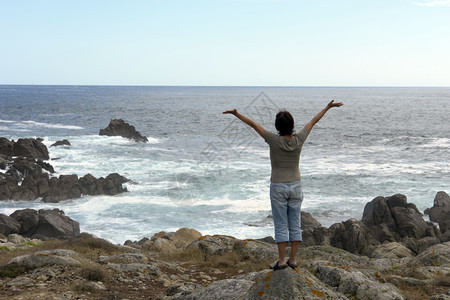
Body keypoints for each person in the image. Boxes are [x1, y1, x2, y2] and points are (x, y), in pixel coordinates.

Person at [223, 100, 344, 270]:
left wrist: (236, 114)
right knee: (295, 223)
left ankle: (281, 261)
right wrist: (328, 107)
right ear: (292, 125)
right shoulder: (299, 139)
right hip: (295, 186)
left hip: (278, 186)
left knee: (281, 224)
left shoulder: (273, 139)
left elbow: (253, 125)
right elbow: (313, 121)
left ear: (277, 125)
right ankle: (293, 260)